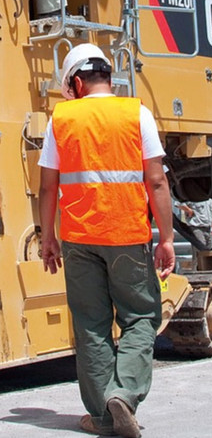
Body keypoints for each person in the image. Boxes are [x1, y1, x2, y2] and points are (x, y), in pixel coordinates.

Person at [38, 43, 175, 438]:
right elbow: (157, 181)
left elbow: (48, 187)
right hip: (127, 236)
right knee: (141, 317)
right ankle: (125, 394)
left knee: (91, 326)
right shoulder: (137, 113)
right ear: (108, 78)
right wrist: (166, 238)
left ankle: (102, 416)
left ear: (76, 83)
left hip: (79, 239)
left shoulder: (60, 119)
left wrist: (49, 237)